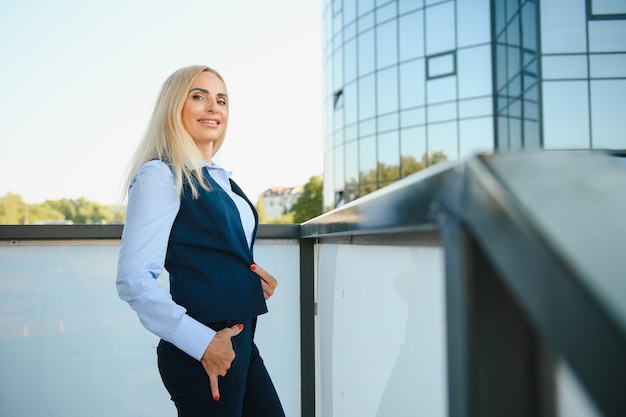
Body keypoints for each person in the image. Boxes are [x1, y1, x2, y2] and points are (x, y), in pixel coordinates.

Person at [116, 65, 286, 416]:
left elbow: (209, 254)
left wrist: (246, 281)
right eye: (199, 96)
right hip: (204, 350)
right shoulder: (160, 176)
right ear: (174, 107)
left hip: (240, 342)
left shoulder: (221, 180)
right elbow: (133, 280)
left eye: (221, 100)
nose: (214, 107)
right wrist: (204, 343)